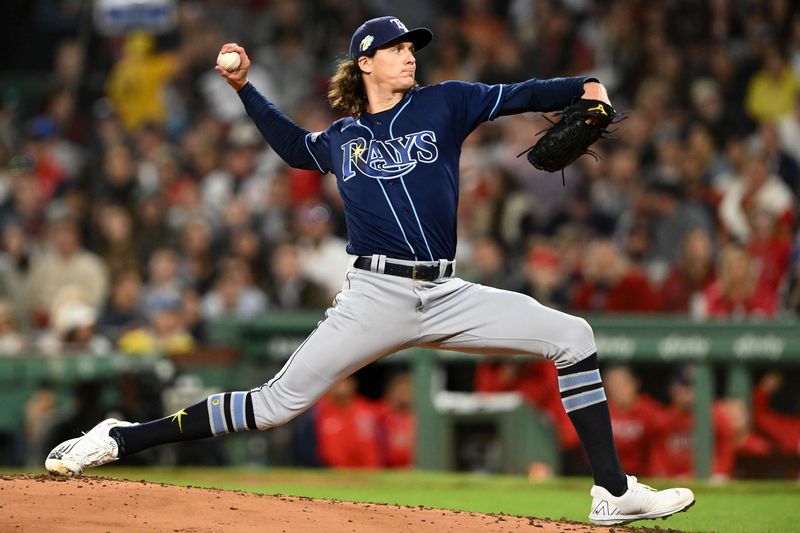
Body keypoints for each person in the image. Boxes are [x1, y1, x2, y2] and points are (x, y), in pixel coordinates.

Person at [45, 16, 693, 525]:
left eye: (413, 45)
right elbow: (292, 147)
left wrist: (584, 87)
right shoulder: (343, 137)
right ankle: (122, 438)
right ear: (366, 62)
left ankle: (613, 491)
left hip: (445, 291)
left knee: (574, 336)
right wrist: (244, 88)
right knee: (272, 406)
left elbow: (521, 93)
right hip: (374, 295)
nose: (410, 53)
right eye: (395, 47)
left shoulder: (446, 102)